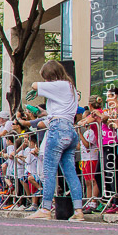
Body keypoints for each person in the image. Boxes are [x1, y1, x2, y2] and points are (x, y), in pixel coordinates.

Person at [27, 60, 85, 221]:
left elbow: (34, 85)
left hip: (58, 129)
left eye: (46, 77)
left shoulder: (60, 84)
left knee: (49, 170)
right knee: (70, 173)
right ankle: (78, 210)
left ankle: (46, 208)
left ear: (51, 76)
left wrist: (39, 88)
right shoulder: (70, 87)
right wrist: (43, 112)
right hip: (70, 130)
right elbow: (59, 111)